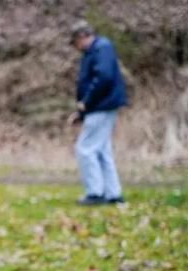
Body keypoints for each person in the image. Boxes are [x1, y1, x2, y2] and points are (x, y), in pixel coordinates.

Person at [68, 20, 127, 206]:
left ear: (82, 36)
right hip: (101, 105)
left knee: (85, 148)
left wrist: (86, 102)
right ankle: (113, 194)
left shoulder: (101, 48)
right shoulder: (96, 50)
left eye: (75, 42)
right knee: (102, 150)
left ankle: (95, 193)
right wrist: (81, 111)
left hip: (102, 105)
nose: (76, 47)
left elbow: (103, 77)